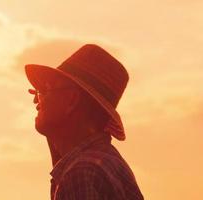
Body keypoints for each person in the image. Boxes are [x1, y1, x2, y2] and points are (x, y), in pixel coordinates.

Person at [25, 44, 144, 200]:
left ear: (71, 100)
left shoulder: (81, 173)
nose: (36, 100)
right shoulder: (107, 162)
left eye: (45, 90)